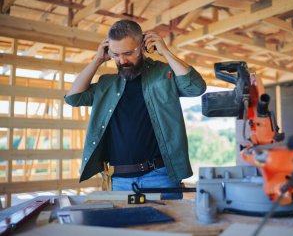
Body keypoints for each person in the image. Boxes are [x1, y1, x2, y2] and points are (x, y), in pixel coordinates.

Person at [64, 19, 206, 199]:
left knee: (169, 226)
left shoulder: (164, 74)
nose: (122, 60)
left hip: (160, 177)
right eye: (115, 54)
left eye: (129, 53)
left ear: (143, 46)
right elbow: (73, 98)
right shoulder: (106, 84)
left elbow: (196, 87)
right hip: (119, 180)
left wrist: (166, 52)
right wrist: (97, 60)